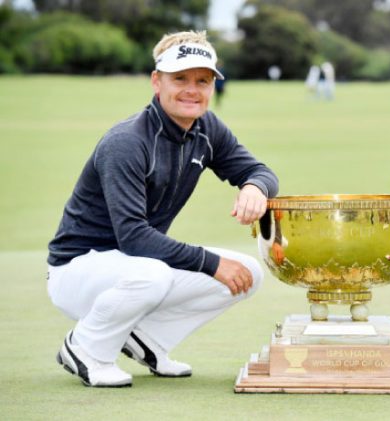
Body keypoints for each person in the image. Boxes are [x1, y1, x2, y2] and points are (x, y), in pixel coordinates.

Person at [47, 30, 279, 388]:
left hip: (132, 266)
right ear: (157, 82)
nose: (192, 89)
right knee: (155, 274)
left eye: (202, 80)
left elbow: (259, 171)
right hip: (79, 269)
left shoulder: (207, 127)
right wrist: (211, 263)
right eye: (180, 79)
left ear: (213, 86)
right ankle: (85, 349)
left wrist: (254, 187)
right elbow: (135, 238)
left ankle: (147, 340)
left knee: (248, 273)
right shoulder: (126, 142)